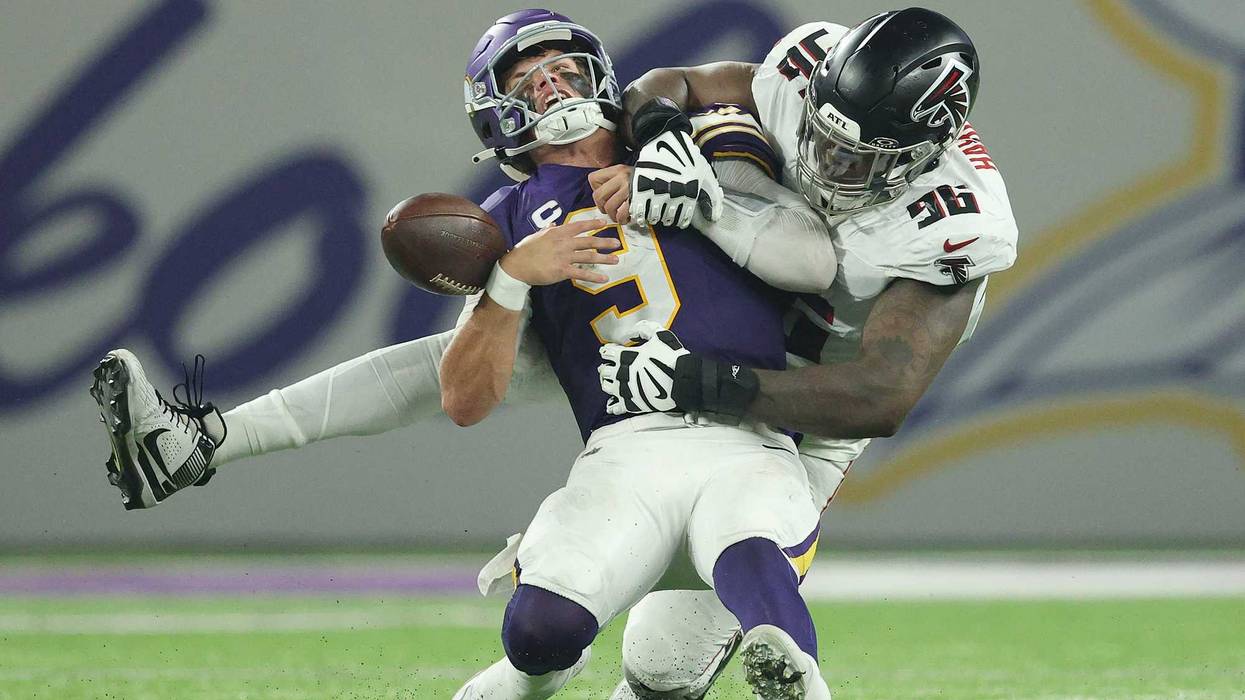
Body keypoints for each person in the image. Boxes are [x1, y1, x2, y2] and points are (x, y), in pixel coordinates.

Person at [87, 9, 840, 700]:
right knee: (545, 635)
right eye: (524, 79)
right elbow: (461, 392)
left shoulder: (694, 135)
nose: (549, 84)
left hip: (779, 418)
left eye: (564, 69)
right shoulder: (504, 222)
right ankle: (203, 444)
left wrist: (692, 181)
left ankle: (202, 445)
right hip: (629, 440)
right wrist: (513, 276)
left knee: (669, 662)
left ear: (606, 78)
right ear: (497, 115)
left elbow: (814, 254)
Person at [590, 7, 1020, 700]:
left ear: (920, 152)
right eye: (822, 136)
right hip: (727, 335)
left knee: (665, 658)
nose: (828, 162)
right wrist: (663, 133)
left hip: (816, 402)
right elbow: (668, 82)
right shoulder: (808, 69)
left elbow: (878, 396)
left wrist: (699, 383)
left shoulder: (954, 222)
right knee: (632, 613)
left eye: (860, 155)